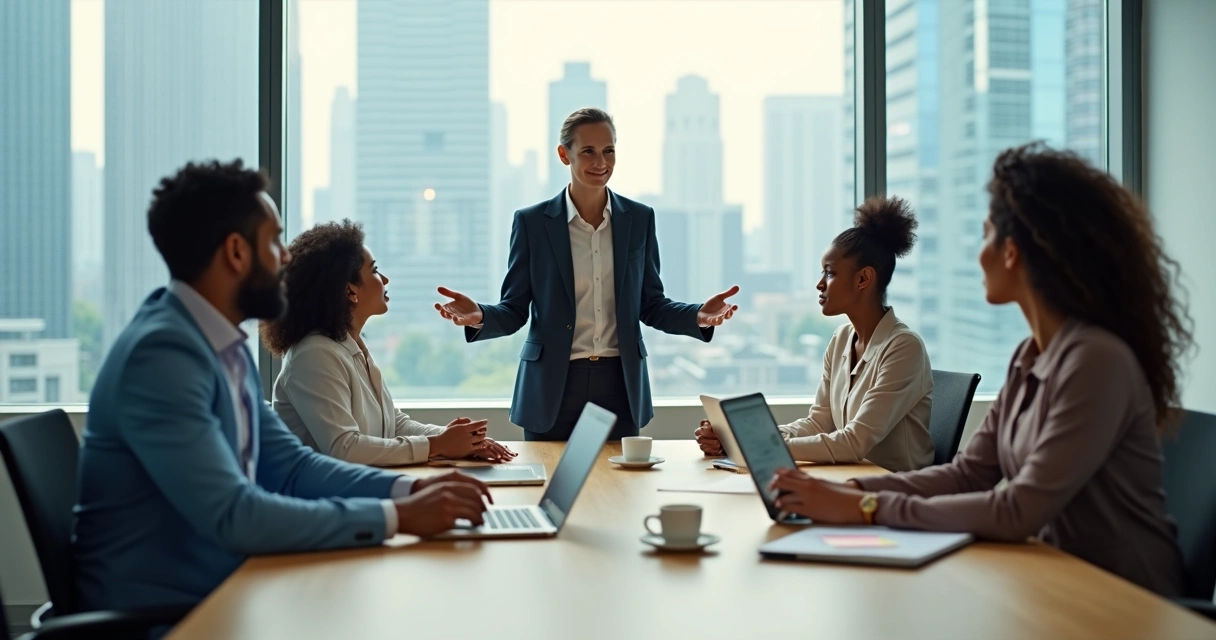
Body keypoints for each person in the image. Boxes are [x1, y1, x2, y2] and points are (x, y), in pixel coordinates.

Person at [766, 143, 1190, 597]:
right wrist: (851, 488)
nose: (978, 254)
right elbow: (968, 475)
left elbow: (1016, 510)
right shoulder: (1031, 356)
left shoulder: (1097, 362)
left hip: (1125, 598)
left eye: (985, 236)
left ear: (1013, 252)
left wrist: (865, 506)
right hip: (1051, 578)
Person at [74, 161, 492, 614]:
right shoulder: (162, 357)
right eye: (274, 241)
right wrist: (399, 516)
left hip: (227, 585)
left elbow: (292, 467)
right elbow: (234, 515)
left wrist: (409, 492)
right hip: (167, 612)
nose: (287, 258)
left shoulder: (221, 346)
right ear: (236, 252)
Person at [434, 108, 739, 440]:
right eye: (588, 151)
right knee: (551, 487)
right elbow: (515, 309)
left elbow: (650, 304)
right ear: (564, 154)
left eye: (608, 150)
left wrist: (698, 316)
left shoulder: (639, 219)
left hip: (620, 386)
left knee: (620, 489)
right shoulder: (533, 223)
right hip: (553, 387)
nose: (601, 161)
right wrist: (479, 315)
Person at [694, 197, 934, 472]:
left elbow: (854, 442)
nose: (820, 284)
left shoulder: (904, 347)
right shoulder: (842, 339)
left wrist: (758, 445)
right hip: (849, 480)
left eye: (830, 273)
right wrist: (742, 439)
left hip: (895, 493)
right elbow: (819, 423)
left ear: (863, 279)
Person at [261, 220, 516, 466]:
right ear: (350, 290)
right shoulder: (314, 355)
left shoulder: (349, 345)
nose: (384, 279)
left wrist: (458, 440)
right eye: (373, 270)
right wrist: (437, 445)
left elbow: (392, 424)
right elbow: (344, 448)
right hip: (326, 501)